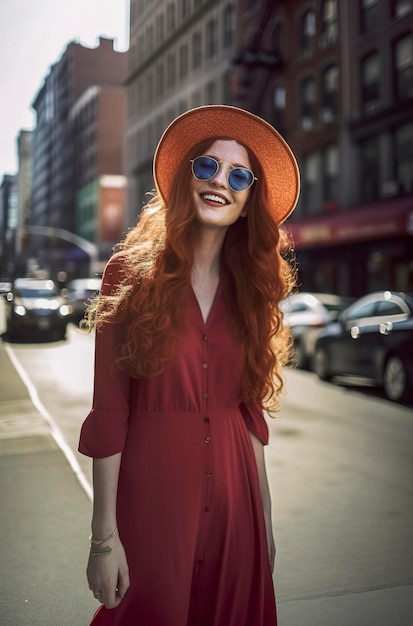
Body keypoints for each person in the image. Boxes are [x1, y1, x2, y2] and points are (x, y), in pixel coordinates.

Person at [78, 104, 300, 626]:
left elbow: (250, 415)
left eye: (239, 176)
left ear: (247, 204)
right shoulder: (126, 275)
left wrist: (264, 518)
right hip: (154, 498)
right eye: (208, 166)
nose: (220, 181)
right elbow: (109, 412)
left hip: (237, 502)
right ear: (188, 178)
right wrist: (102, 537)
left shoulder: (251, 292)